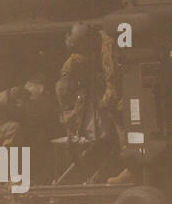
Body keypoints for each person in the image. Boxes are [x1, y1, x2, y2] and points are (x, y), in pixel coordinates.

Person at [56, 23, 131, 184]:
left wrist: (104, 104)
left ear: (87, 41)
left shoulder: (107, 47)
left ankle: (131, 168)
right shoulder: (87, 48)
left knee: (118, 111)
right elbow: (66, 76)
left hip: (126, 88)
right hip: (105, 93)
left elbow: (113, 87)